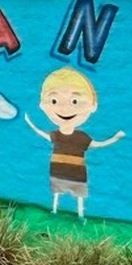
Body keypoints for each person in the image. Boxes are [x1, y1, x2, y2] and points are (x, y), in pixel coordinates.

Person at [24, 67, 125, 220]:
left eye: (75, 101)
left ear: (93, 105)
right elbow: (43, 134)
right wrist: (30, 123)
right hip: (57, 170)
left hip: (77, 172)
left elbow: (97, 144)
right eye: (54, 100)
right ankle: (55, 210)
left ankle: (80, 214)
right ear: (43, 105)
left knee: (79, 193)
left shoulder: (82, 137)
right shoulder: (56, 134)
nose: (65, 108)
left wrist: (115, 138)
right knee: (57, 190)